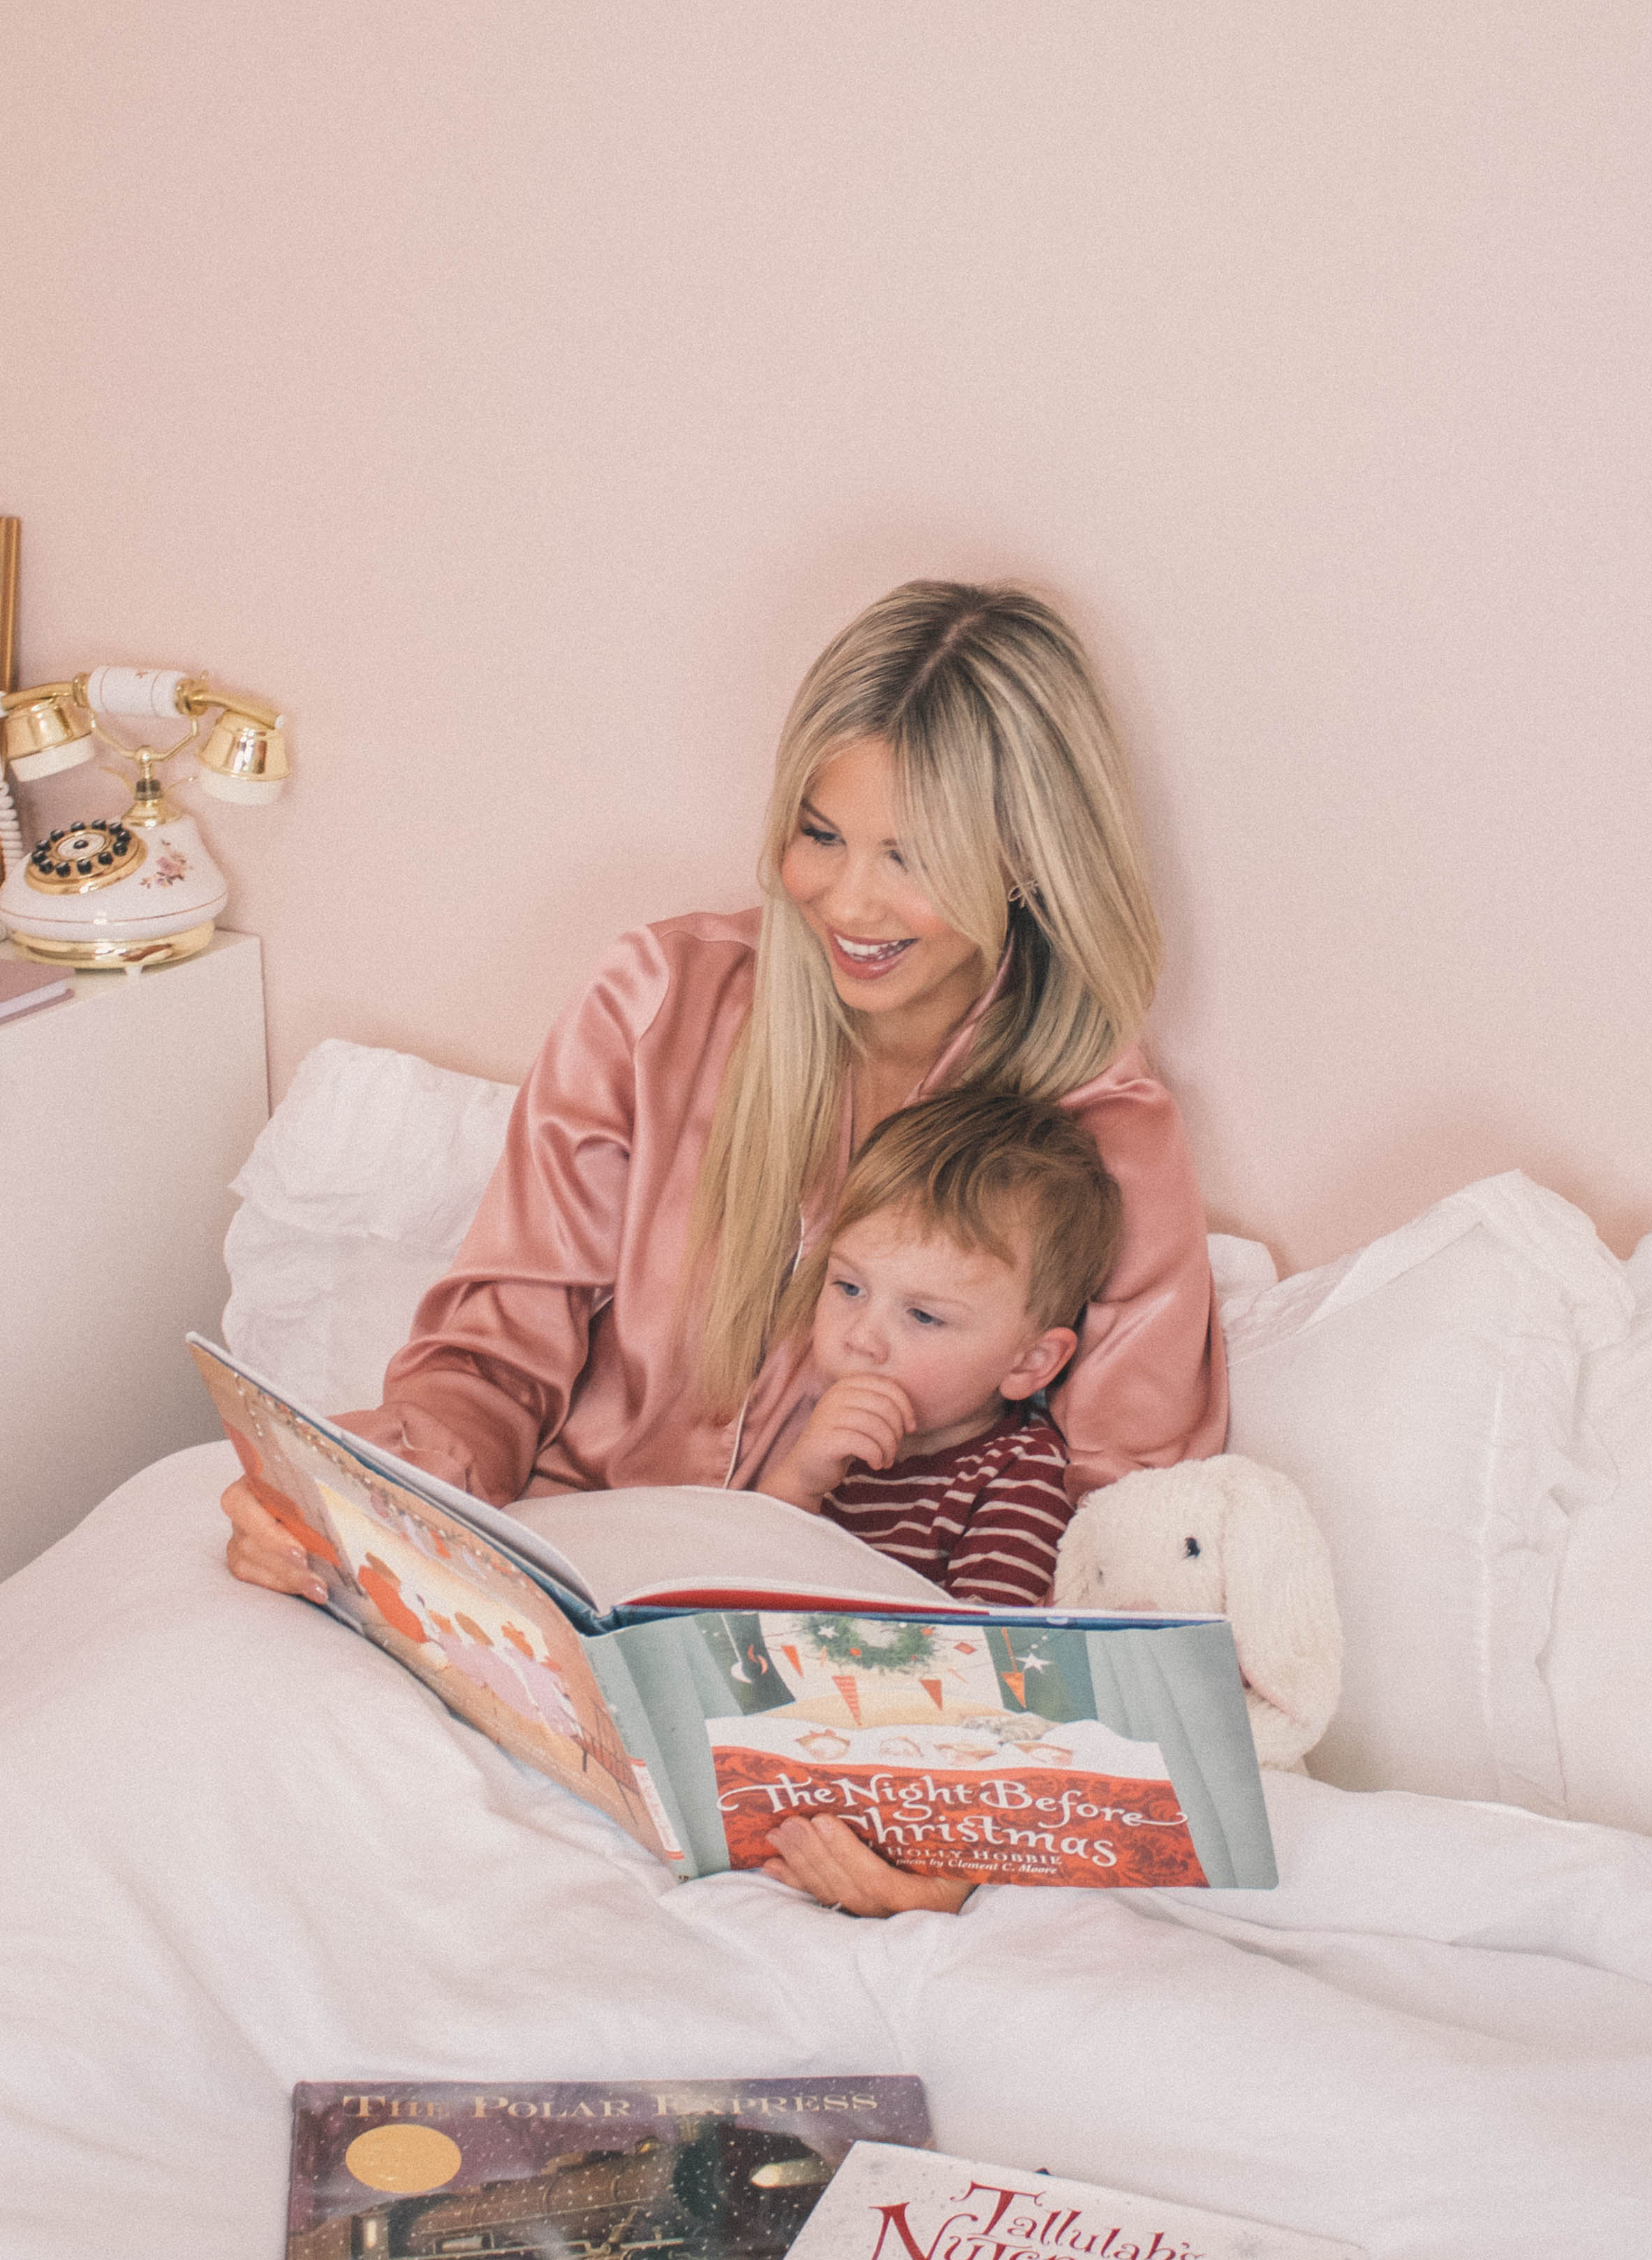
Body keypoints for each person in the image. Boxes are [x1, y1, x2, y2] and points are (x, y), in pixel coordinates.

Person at [223, 578, 1225, 1917]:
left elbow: (1128, 1539)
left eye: (911, 854)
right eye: (818, 832)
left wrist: (969, 1825)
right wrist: (370, 1492)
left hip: (834, 1712)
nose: (846, 897)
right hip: (564, 1615)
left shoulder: (1097, 1129)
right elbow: (491, 1356)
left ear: (1027, 859)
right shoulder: (659, 999)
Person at [755, 1084, 1123, 1606]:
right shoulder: (823, 1436)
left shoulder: (1017, 1478)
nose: (860, 1338)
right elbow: (737, 1582)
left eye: (923, 1315)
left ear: (1028, 1362)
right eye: (849, 1287)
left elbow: (982, 1655)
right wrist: (797, 1482)